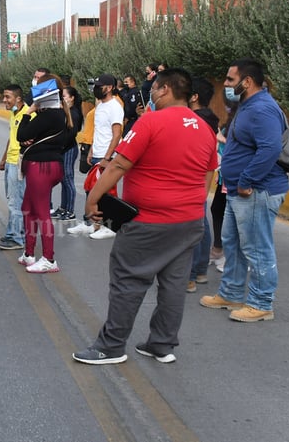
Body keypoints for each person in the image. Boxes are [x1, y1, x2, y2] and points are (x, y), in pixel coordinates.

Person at [72, 68, 217, 365]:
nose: (150, 93)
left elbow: (118, 165)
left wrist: (93, 197)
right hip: (189, 221)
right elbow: (210, 170)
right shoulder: (203, 127)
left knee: (128, 281)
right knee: (174, 285)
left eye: (153, 88)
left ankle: (111, 347)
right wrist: (196, 201)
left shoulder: (150, 121)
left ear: (164, 89)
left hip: (150, 222)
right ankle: (161, 344)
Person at [200, 58, 289, 323]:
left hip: (256, 191)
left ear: (246, 82)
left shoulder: (262, 109)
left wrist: (247, 180)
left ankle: (262, 303)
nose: (225, 85)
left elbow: (270, 148)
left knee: (257, 248)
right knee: (233, 243)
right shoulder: (247, 106)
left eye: (229, 80)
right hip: (239, 191)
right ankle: (231, 293)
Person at [16, 76, 72, 272]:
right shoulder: (59, 114)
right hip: (47, 166)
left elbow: (20, 135)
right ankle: (29, 254)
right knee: (28, 208)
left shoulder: (49, 115)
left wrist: (27, 113)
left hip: (41, 167)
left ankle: (49, 259)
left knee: (40, 213)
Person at [69, 74, 123, 239]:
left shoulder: (115, 107)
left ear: (110, 87)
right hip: (97, 154)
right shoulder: (100, 106)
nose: (97, 89)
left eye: (101, 86)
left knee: (106, 191)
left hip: (107, 156)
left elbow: (116, 134)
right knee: (91, 189)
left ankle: (110, 226)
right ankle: (92, 223)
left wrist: (107, 157)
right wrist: (92, 151)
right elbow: (99, 131)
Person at [186, 77, 221, 293]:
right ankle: (199, 272)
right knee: (202, 224)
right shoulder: (210, 118)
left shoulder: (195, 120)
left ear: (195, 96)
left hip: (193, 178)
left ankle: (189, 275)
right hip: (202, 178)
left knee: (193, 227)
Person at [0, 84, 29, 251]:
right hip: (11, 161)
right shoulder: (14, 113)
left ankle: (15, 237)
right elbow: (12, 138)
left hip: (19, 162)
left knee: (15, 201)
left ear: (18, 98)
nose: (4, 100)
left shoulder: (28, 114)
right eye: (4, 96)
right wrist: (3, 159)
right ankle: (15, 232)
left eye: (8, 97)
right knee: (13, 199)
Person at [55, 85, 83, 221]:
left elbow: (71, 134)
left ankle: (70, 211)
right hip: (63, 149)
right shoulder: (66, 112)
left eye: (65, 96)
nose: (62, 99)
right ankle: (63, 207)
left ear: (72, 98)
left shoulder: (74, 113)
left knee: (68, 179)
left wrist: (60, 145)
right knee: (63, 179)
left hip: (69, 150)